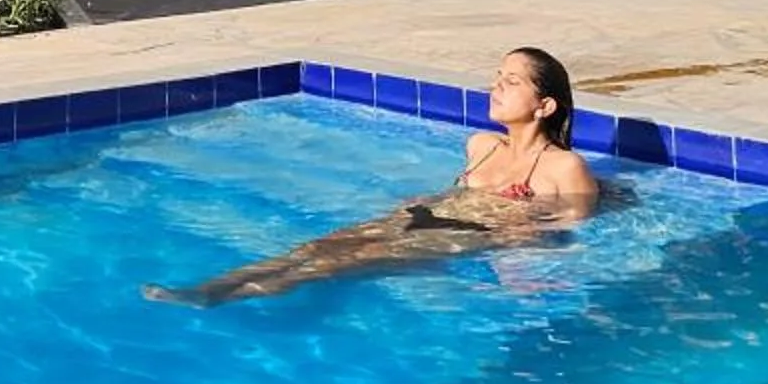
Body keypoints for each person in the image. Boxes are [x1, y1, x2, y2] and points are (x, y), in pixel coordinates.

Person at [147, 47, 612, 307]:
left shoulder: (563, 168)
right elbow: (452, 191)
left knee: (338, 263)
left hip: (467, 234)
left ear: (544, 105)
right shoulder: (481, 144)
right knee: (314, 249)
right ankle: (209, 286)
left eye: (511, 82)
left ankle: (221, 300)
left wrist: (519, 236)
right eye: (496, 76)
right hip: (423, 215)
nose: (496, 87)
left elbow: (567, 228)